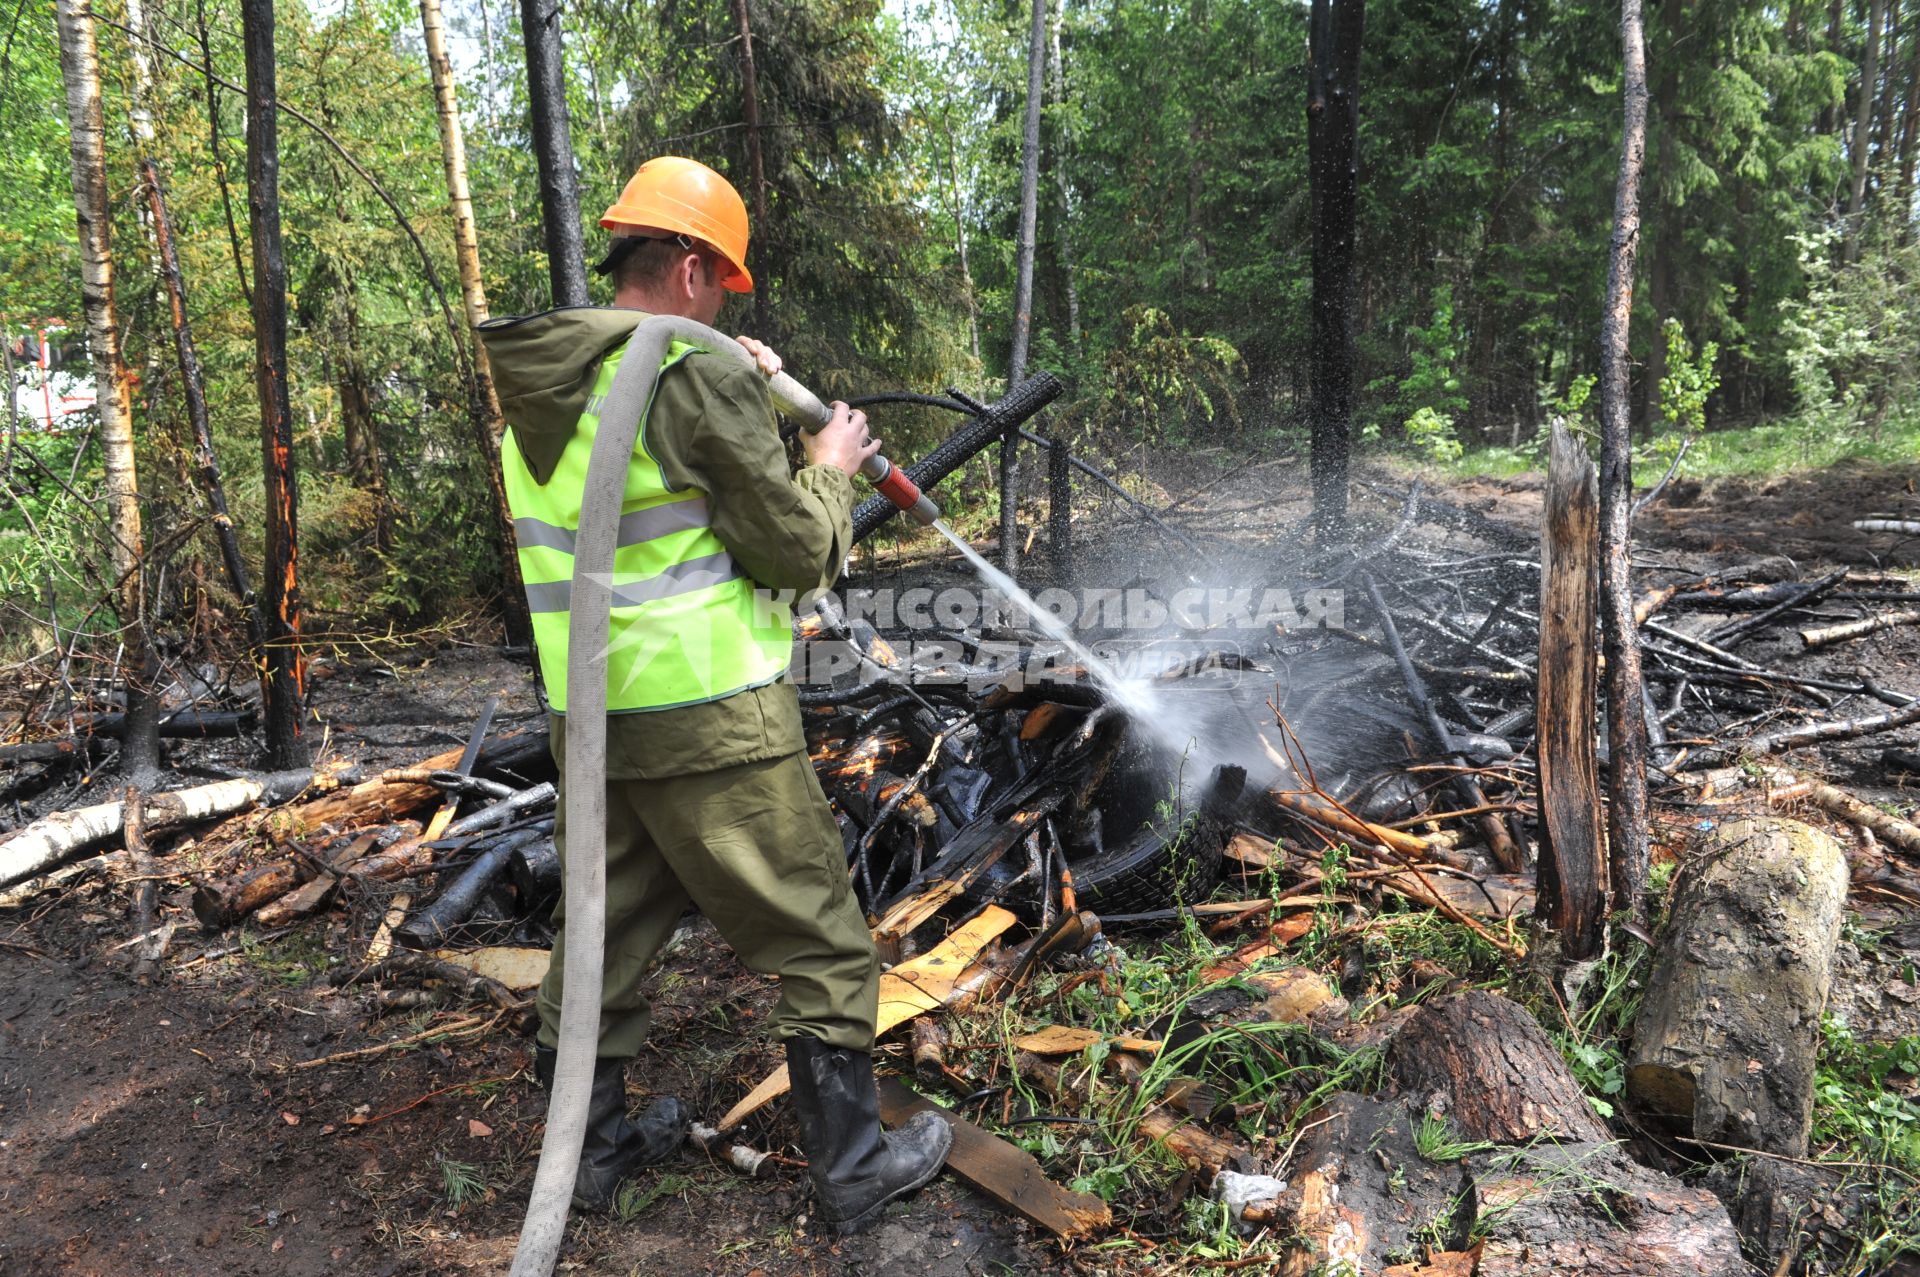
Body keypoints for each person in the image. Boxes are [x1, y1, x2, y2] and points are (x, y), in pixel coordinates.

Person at [477, 156, 951, 1232]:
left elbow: (668, 500)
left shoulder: (551, 394)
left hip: (597, 724)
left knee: (607, 931)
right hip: (714, 720)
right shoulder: (691, 375)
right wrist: (828, 459)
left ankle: (590, 1152)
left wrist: (749, 402)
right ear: (691, 265)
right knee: (822, 942)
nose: (725, 300)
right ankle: (856, 1170)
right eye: (722, 280)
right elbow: (789, 549)